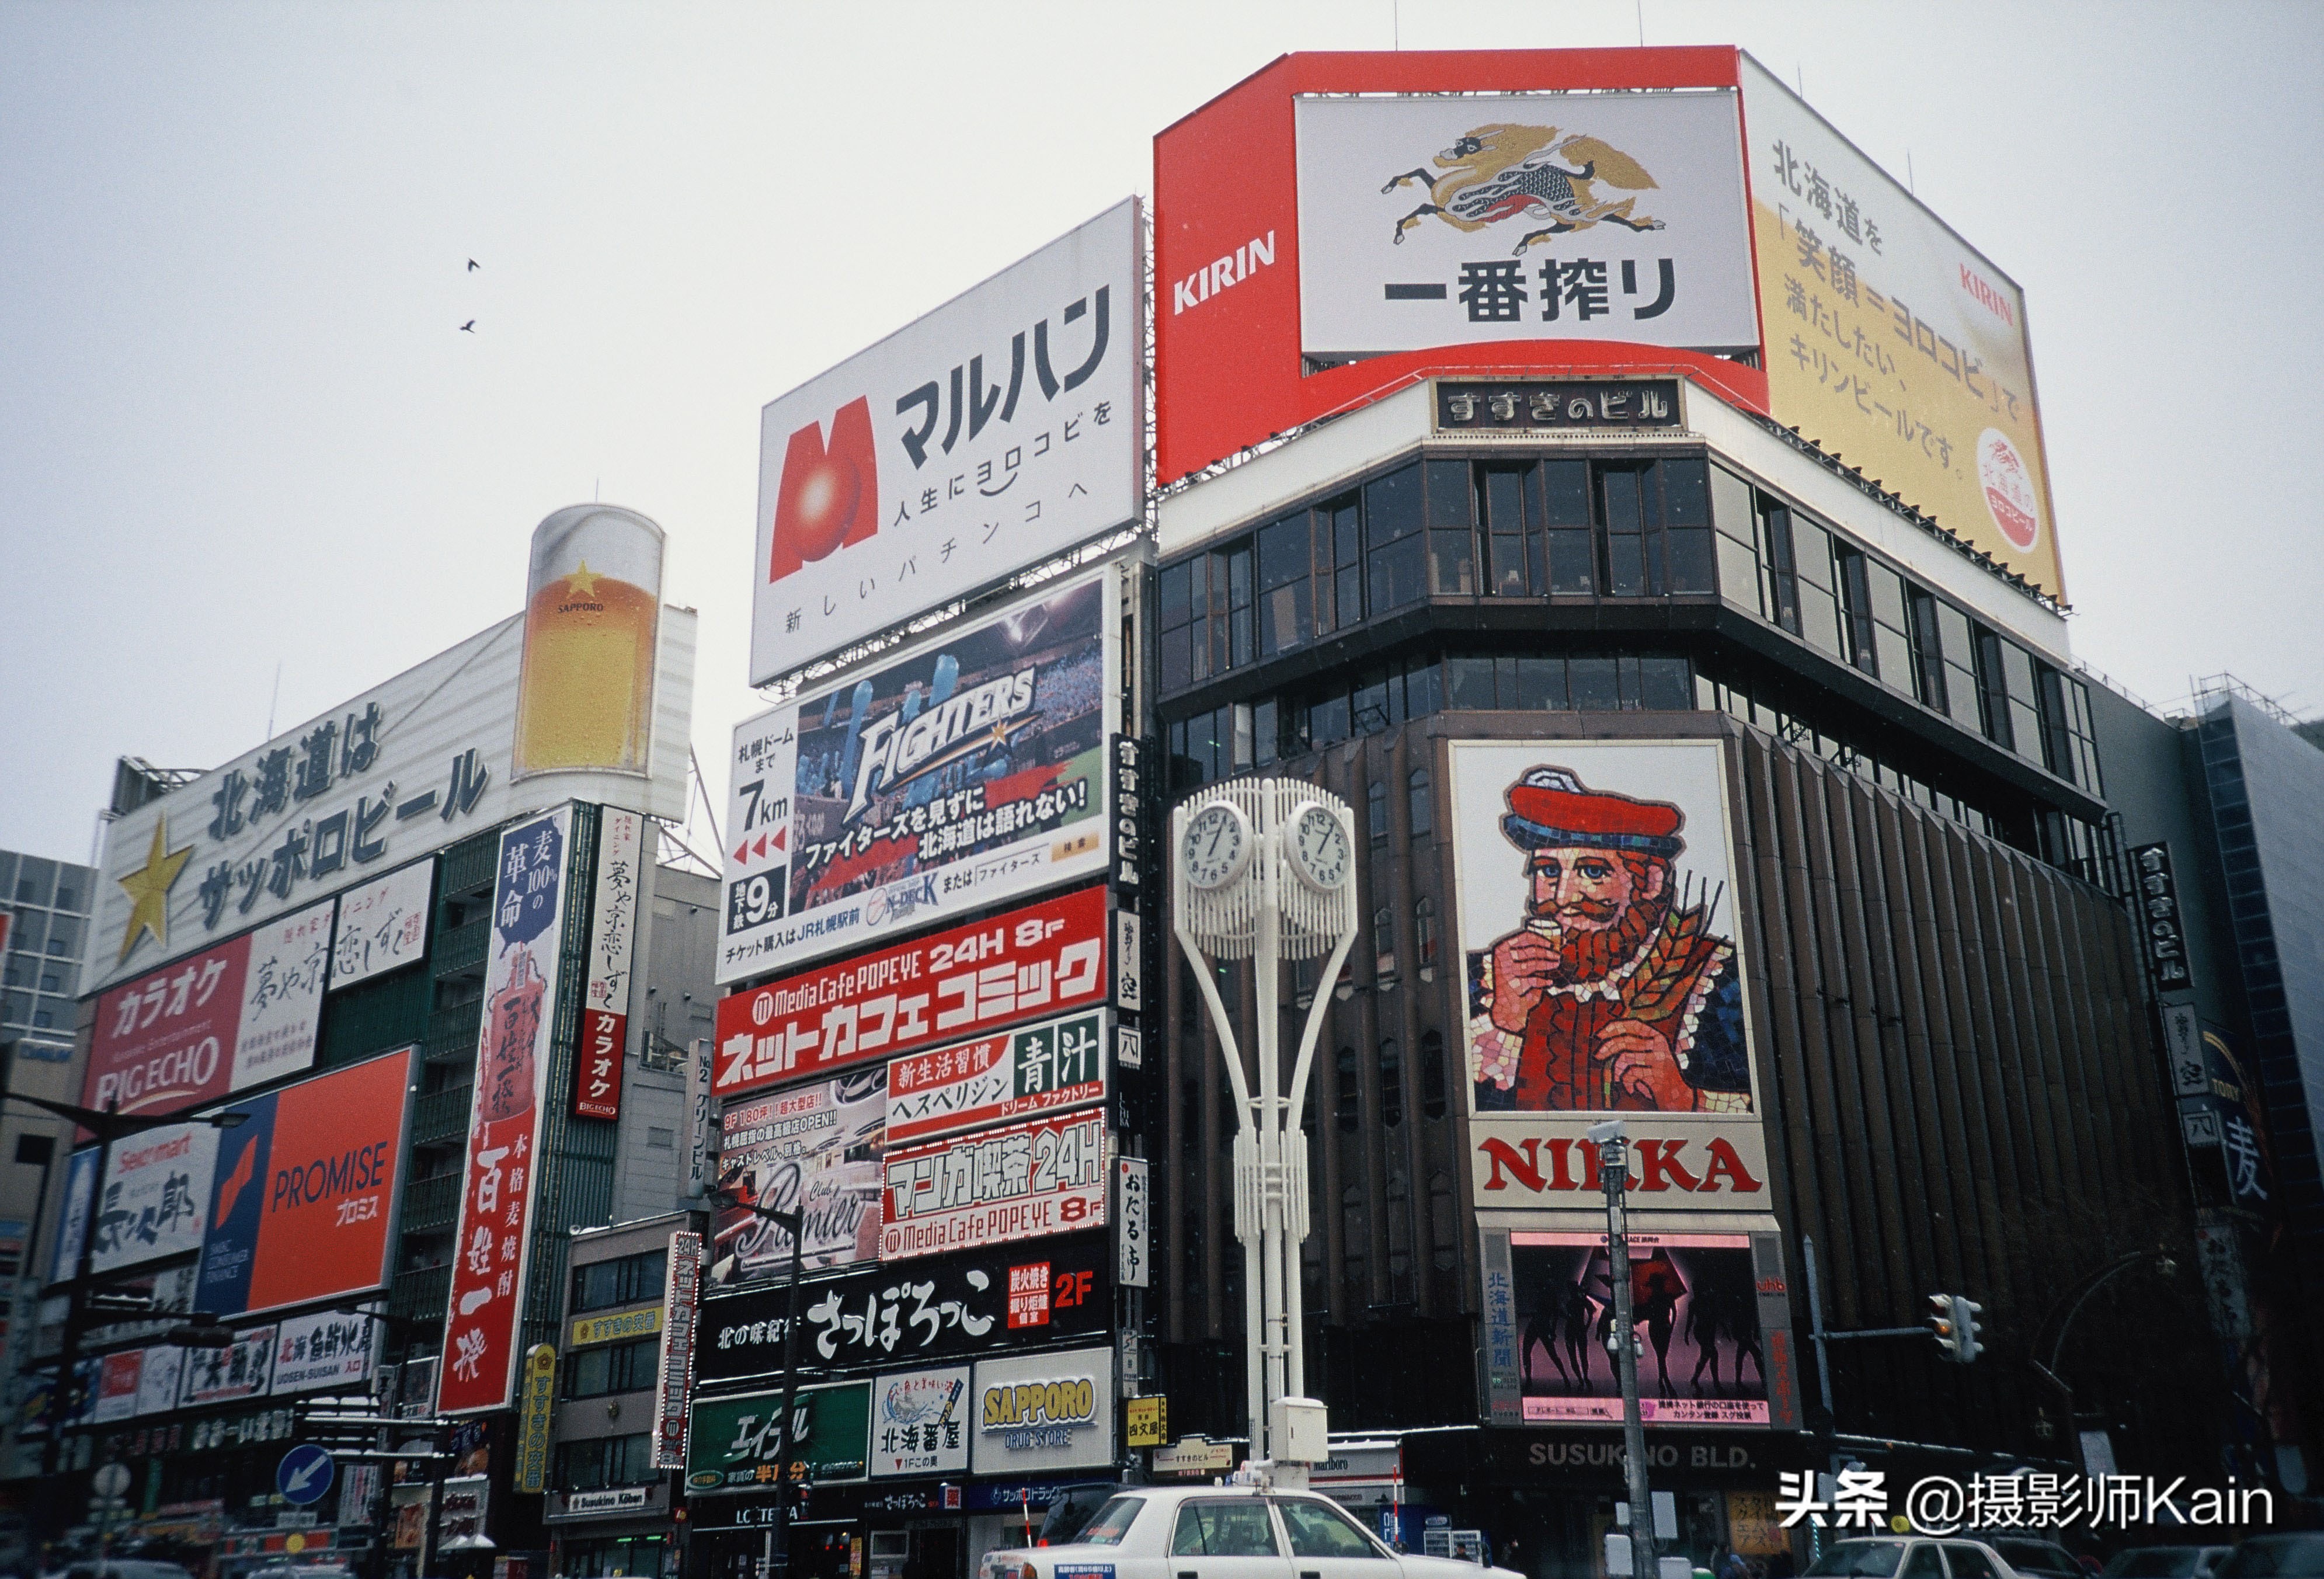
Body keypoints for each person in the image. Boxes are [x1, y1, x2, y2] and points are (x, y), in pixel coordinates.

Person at [1468, 766, 1750, 1112]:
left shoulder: (1720, 979)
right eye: (1549, 871)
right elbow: (1449, 1114)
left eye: (1593, 871)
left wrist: (1686, 1097)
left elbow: (1781, 1115)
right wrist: (1505, 1025)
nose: (1564, 896)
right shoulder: (1482, 978)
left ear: (1650, 882)